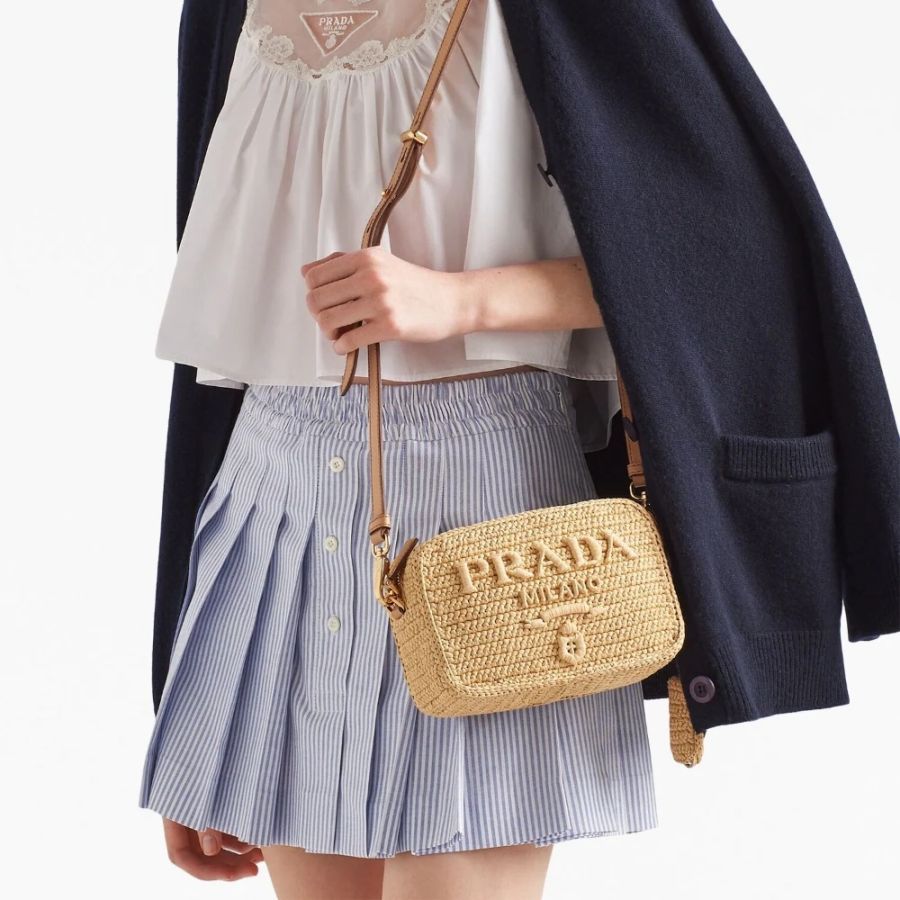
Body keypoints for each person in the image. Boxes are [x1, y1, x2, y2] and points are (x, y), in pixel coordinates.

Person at [139, 1, 655, 897]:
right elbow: (217, 363)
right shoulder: (223, 8)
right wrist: (188, 705)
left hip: (487, 524)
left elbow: (717, 263)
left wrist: (464, 302)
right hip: (273, 520)